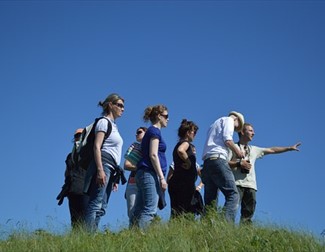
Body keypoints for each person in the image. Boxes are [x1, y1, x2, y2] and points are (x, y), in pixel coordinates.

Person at [229, 123, 301, 224]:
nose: (253, 133)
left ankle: (245, 233)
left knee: (248, 214)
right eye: (250, 131)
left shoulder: (254, 149)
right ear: (242, 132)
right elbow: (225, 163)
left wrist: (289, 148)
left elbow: (272, 150)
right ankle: (226, 229)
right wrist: (239, 163)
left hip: (251, 186)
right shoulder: (233, 147)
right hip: (237, 184)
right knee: (232, 209)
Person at [83, 93, 125, 232]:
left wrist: (115, 178)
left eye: (123, 106)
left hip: (112, 168)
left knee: (102, 206)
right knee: (96, 202)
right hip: (104, 164)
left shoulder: (114, 126)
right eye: (119, 105)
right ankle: (87, 237)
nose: (122, 108)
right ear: (110, 105)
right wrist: (100, 170)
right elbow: (97, 146)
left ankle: (92, 234)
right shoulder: (103, 122)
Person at [201, 111, 245, 222]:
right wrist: (238, 152)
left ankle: (205, 228)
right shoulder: (229, 120)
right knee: (233, 195)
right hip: (218, 159)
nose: (235, 129)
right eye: (237, 127)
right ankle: (225, 226)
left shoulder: (214, 124)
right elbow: (228, 140)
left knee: (210, 201)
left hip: (207, 162)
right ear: (236, 119)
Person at [131, 104, 169, 229]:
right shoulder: (154, 131)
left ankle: (131, 238)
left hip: (143, 173)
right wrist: (162, 177)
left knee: (138, 209)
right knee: (150, 209)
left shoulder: (151, 131)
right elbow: (153, 154)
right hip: (149, 173)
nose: (168, 119)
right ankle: (141, 241)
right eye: (166, 116)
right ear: (159, 116)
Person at [56, 128, 89, 229]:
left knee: (86, 218)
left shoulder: (89, 152)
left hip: (85, 189)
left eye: (80, 134)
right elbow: (66, 172)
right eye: (76, 135)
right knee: (74, 220)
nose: (78, 137)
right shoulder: (70, 156)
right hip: (72, 190)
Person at [167, 119, 200, 217]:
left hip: (177, 182)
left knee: (177, 212)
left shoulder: (179, 144)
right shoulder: (186, 143)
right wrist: (189, 162)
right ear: (188, 132)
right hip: (183, 183)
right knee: (186, 211)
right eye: (194, 132)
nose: (195, 134)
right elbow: (181, 150)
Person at [124, 126, 147, 223]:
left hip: (146, 181)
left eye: (139, 132)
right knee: (132, 211)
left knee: (146, 210)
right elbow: (126, 165)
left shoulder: (153, 147)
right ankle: (133, 233)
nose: (136, 134)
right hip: (134, 181)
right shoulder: (135, 146)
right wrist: (142, 167)